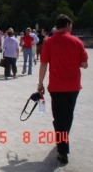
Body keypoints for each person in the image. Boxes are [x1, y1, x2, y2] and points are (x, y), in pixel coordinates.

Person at [37, 14, 88, 165]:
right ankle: (63, 140)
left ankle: (62, 149)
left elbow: (44, 64)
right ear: (67, 25)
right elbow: (85, 65)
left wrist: (40, 83)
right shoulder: (77, 41)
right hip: (73, 86)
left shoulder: (49, 41)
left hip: (57, 86)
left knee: (59, 118)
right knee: (68, 116)